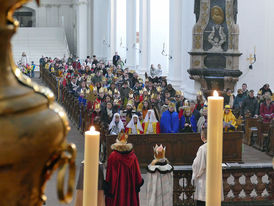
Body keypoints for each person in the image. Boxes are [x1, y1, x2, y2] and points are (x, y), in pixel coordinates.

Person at [104, 132, 144, 206]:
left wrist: (108, 188)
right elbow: (138, 175)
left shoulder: (113, 156)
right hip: (130, 190)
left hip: (117, 190)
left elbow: (109, 174)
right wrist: (137, 184)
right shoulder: (133, 156)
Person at [192, 128, 224, 206]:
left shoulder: (203, 148)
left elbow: (198, 165)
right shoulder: (217, 146)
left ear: (202, 137)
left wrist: (194, 177)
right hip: (215, 180)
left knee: (204, 201)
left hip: (205, 181)